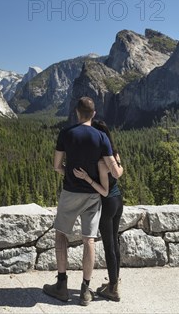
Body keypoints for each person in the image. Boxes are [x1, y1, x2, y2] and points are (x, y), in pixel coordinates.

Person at [43, 97, 123, 306]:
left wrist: (68, 173)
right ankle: (85, 290)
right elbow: (112, 168)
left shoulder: (66, 134)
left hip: (70, 192)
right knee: (89, 240)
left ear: (77, 113)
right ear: (93, 114)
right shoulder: (101, 137)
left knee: (61, 234)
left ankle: (61, 284)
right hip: (93, 196)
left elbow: (56, 165)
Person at [73, 119, 123, 302]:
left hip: (108, 203)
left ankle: (113, 289)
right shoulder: (114, 154)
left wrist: (87, 178)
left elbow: (104, 190)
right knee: (115, 243)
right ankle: (114, 283)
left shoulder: (102, 162)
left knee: (109, 246)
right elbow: (119, 172)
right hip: (119, 201)